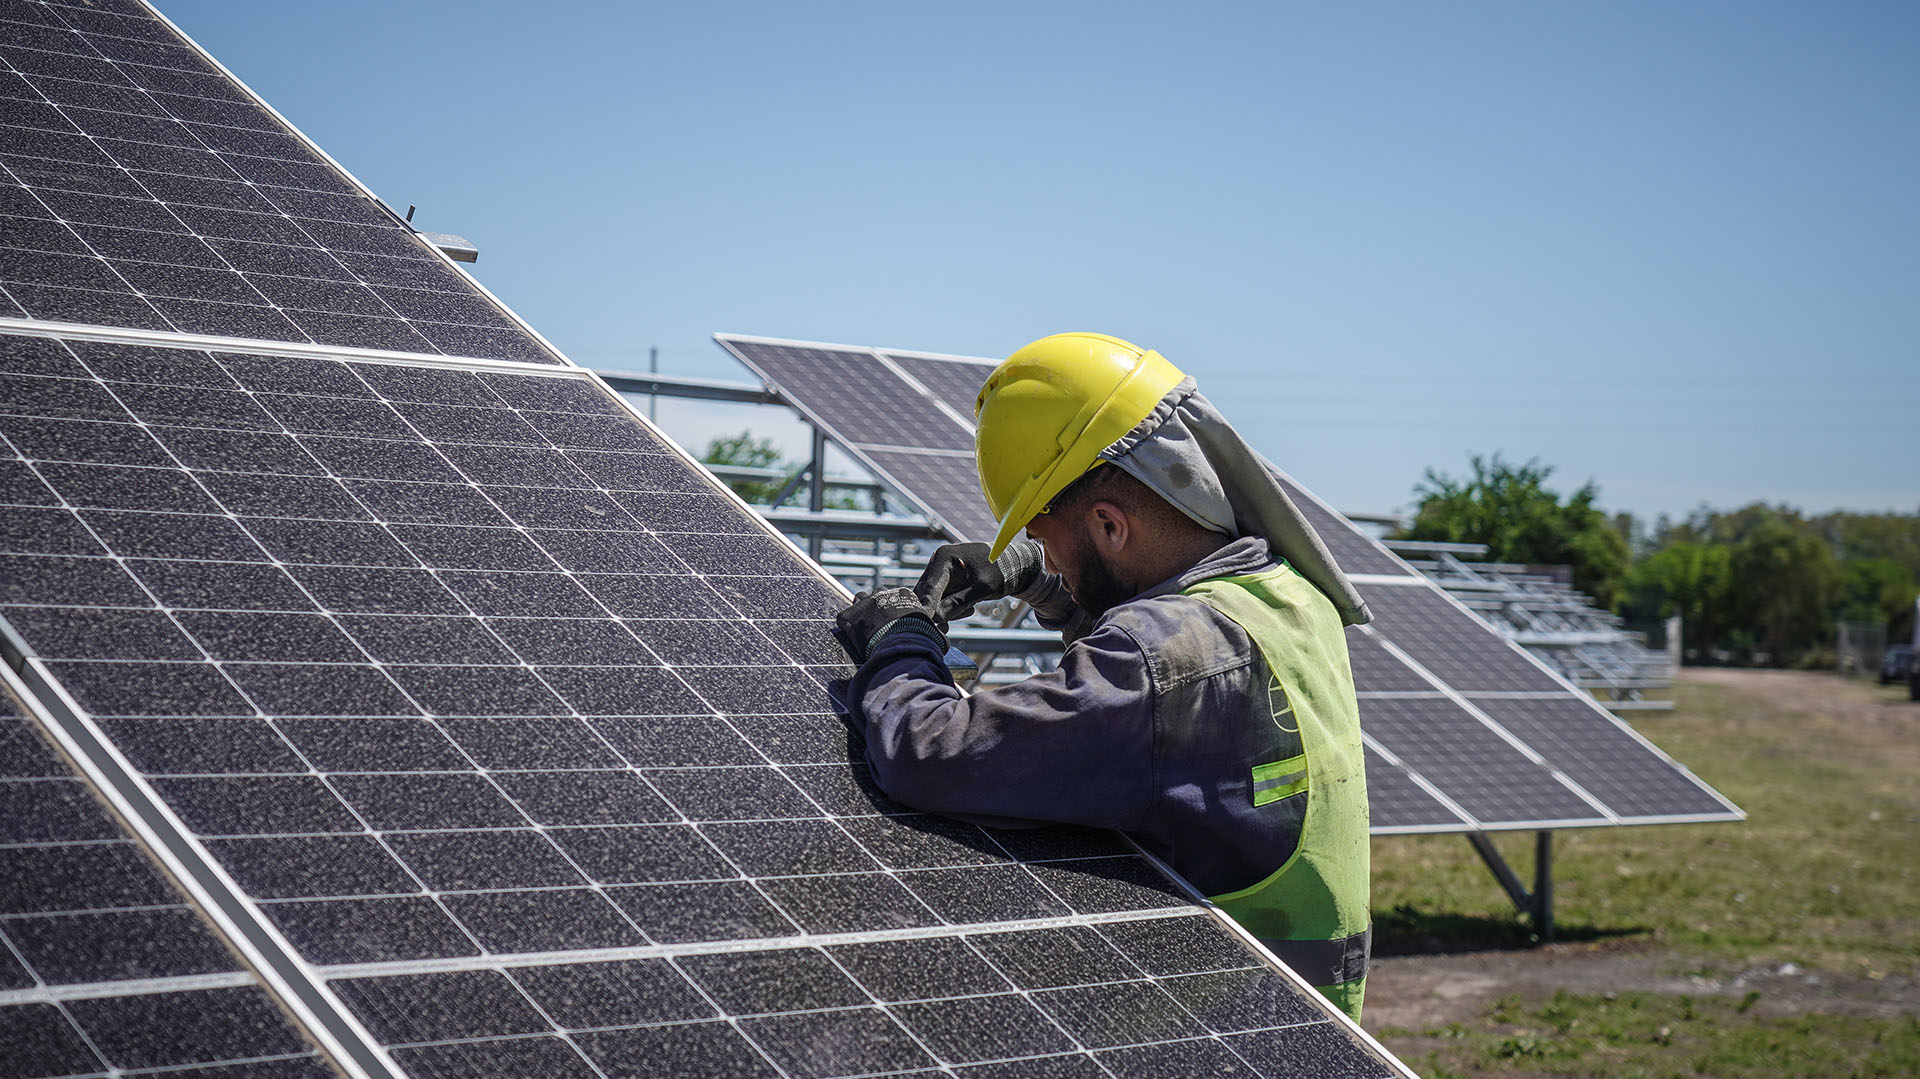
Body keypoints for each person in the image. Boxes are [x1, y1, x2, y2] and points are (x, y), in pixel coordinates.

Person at [831, 332, 1376, 1021]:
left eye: (1042, 535)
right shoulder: (1286, 592)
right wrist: (1037, 579)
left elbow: (930, 748)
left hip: (1208, 1020)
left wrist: (901, 640)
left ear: (1111, 526)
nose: (1045, 553)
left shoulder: (1160, 662)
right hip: (1314, 1013)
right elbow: (1171, 652)